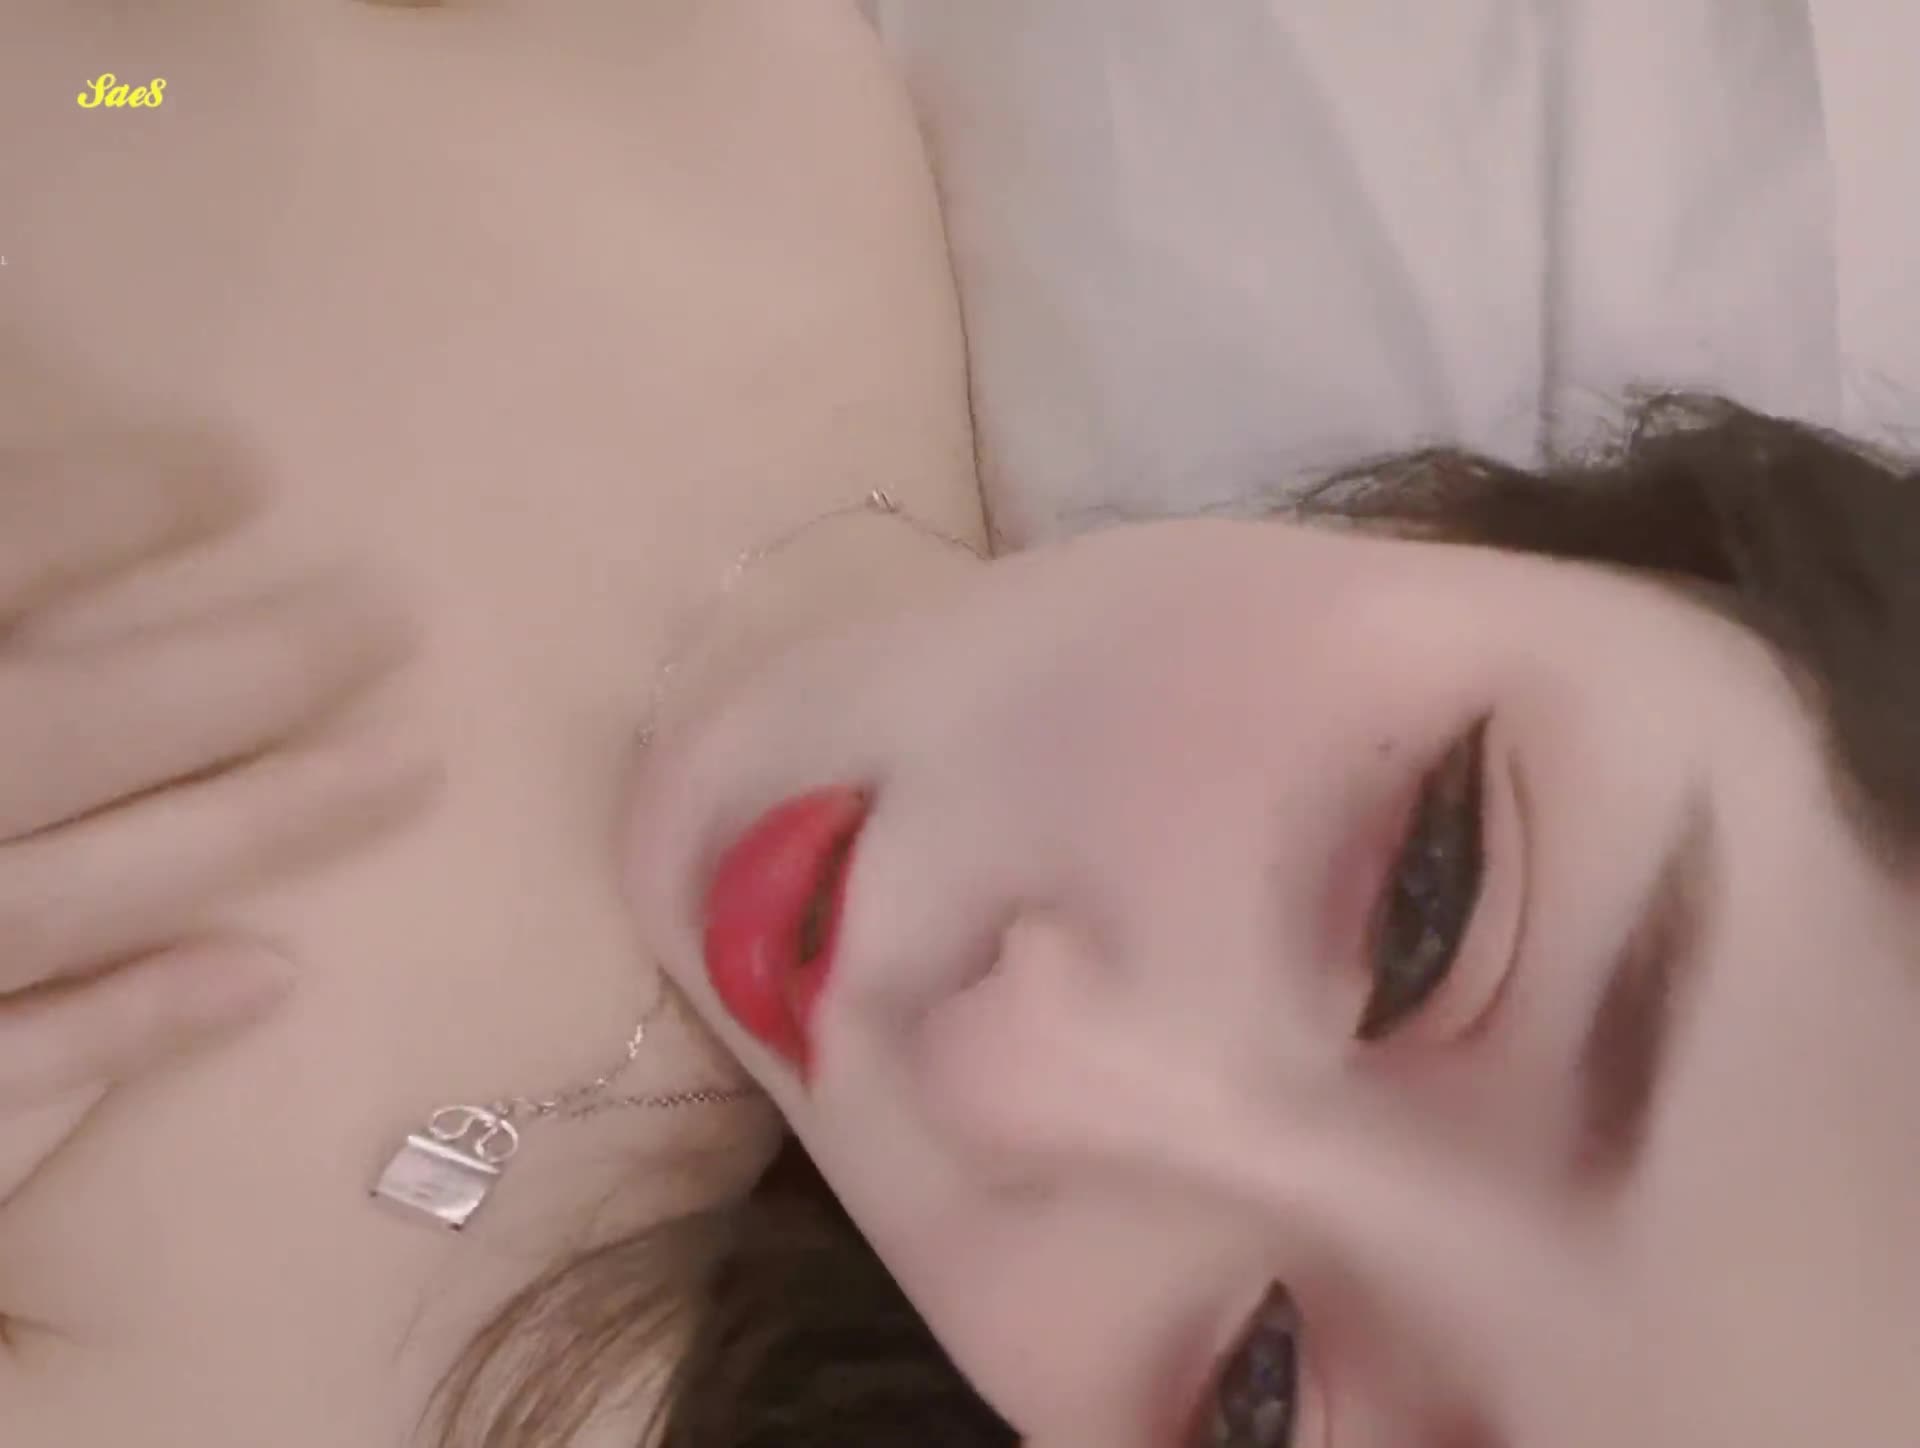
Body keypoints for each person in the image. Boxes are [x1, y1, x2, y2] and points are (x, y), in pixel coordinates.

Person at [1, 2, 982, 1444]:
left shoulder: (312, 1374)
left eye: (1254, 1394)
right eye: (1346, 918)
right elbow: (106, 89)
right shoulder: (758, 97)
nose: (1031, 1046)